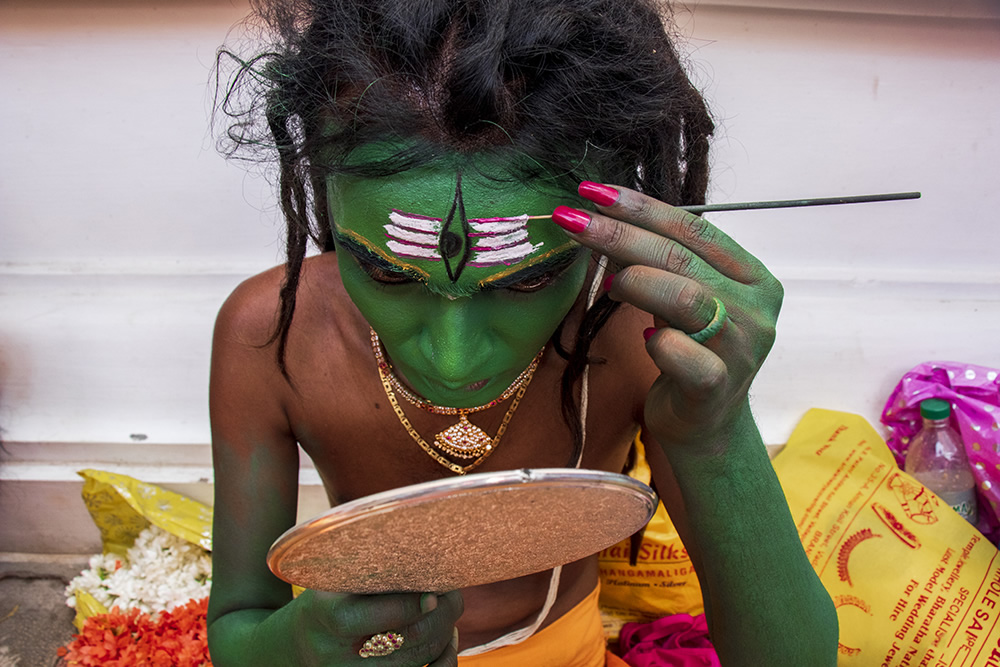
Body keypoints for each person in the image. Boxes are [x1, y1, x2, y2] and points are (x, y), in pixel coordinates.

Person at [206, 0, 838, 664]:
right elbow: (239, 626)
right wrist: (304, 644)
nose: (453, 361)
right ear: (321, 187)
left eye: (526, 280)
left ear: (610, 207)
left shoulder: (639, 335)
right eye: (388, 274)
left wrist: (716, 429)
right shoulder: (271, 336)